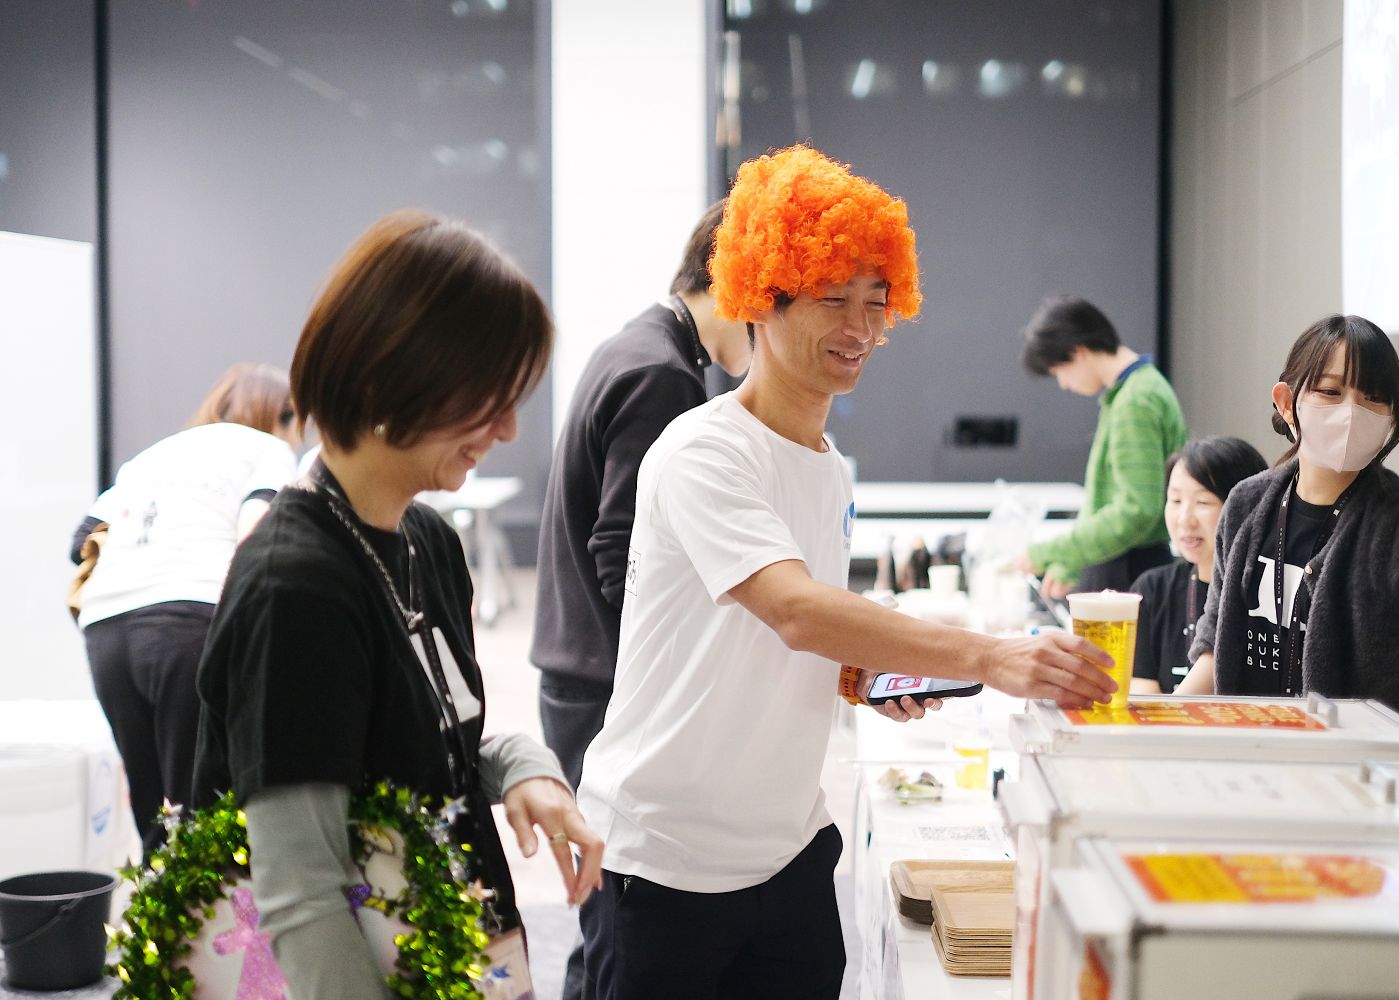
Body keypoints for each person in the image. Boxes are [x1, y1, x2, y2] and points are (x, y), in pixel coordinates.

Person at [575, 146, 1114, 1000]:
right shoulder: (703, 449)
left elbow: (782, 632)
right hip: (666, 863)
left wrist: (857, 671)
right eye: (833, 299)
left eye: (876, 301)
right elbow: (792, 608)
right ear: (762, 298)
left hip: (787, 852)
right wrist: (988, 655)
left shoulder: (828, 468)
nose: (860, 328)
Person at [192, 210, 604, 998]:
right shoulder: (295, 588)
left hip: (453, 949)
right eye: (486, 398)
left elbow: (419, 748)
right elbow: (302, 891)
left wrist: (523, 766)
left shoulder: (427, 541)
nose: (508, 428)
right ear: (390, 379)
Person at [531, 200, 752, 1000]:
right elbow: (622, 553)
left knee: (607, 913)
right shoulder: (662, 372)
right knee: (618, 916)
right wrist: (670, 676)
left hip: (581, 672)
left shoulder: (641, 345)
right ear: (733, 284)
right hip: (603, 683)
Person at [1179, 315, 1399, 738]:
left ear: (1391, 417)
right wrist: (1164, 720)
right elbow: (1216, 643)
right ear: (1286, 402)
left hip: (1377, 766)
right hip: (1259, 755)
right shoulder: (1246, 504)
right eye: (1330, 391)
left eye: (1374, 397)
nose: (1352, 412)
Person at [71, 362, 299, 851]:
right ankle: (215, 902)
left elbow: (81, 541)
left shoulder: (150, 457)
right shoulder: (267, 450)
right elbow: (255, 537)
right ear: (282, 415)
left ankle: (159, 896)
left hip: (106, 626)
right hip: (188, 618)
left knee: (154, 810)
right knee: (200, 802)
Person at [1016, 296, 1187, 599]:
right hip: (1126, 561)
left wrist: (1052, 551)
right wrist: (1072, 561)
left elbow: (1137, 510)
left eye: (1058, 370)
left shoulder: (1136, 400)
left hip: (1131, 568)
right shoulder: (1135, 391)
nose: (1063, 384)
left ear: (1078, 351)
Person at [1128, 436, 1267, 694]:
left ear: (1247, 506)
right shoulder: (1153, 590)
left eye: (1203, 502)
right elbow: (1143, 695)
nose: (1184, 520)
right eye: (1175, 500)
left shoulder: (1269, 594)